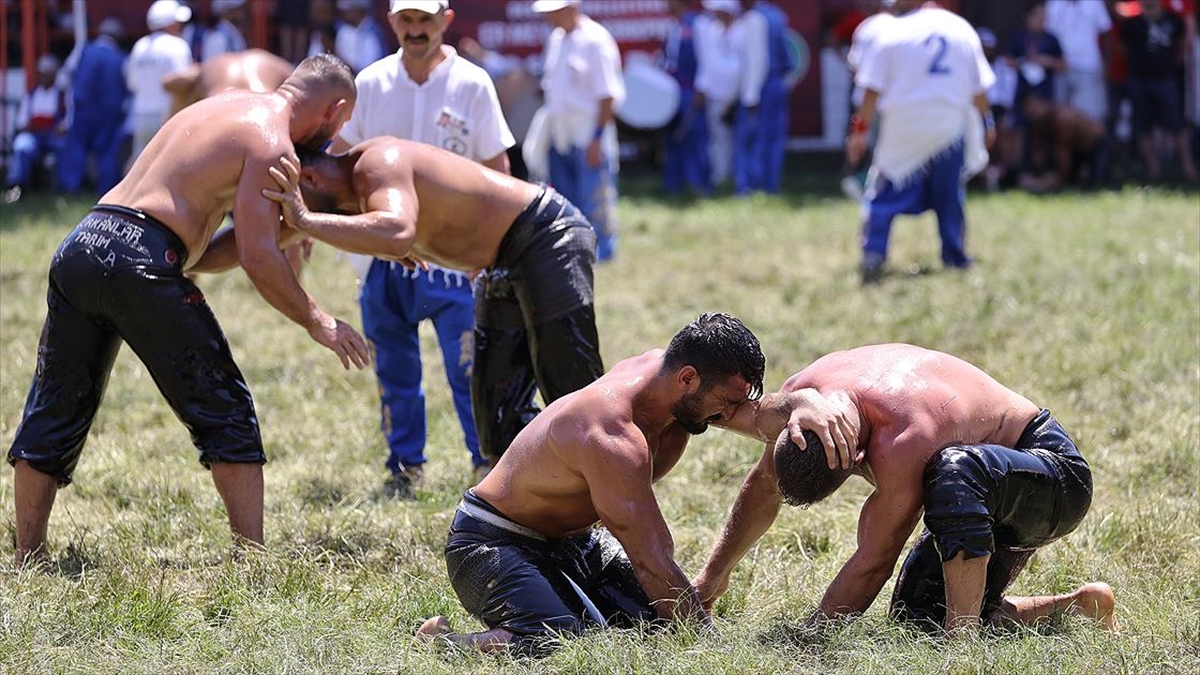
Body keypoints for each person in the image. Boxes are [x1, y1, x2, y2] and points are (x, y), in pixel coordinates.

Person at [7, 54, 366, 569]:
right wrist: (317, 318)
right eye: (341, 124)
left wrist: (293, 225)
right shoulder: (272, 142)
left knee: (56, 405)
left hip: (82, 244)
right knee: (226, 406)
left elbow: (221, 246)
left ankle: (29, 556)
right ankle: (251, 562)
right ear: (334, 111)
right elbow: (259, 255)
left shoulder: (220, 108)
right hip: (141, 259)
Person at [413, 313, 855, 652]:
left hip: (572, 541)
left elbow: (756, 414)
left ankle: (549, 606)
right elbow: (651, 559)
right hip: (492, 544)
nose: (727, 416)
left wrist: (802, 403)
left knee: (655, 623)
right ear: (688, 379)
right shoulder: (611, 432)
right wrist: (711, 648)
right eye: (724, 403)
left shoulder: (681, 391)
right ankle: (445, 644)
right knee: (563, 641)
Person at [212, 136, 606, 469]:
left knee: (574, 392)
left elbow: (398, 231)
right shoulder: (338, 200)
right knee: (497, 422)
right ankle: (545, 518)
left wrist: (306, 220)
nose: (292, 217)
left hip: (546, 234)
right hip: (500, 261)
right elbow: (254, 241)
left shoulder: (376, 163)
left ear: (310, 178)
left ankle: (616, 513)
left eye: (293, 204)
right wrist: (182, 259)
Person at [694, 344, 1118, 638]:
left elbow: (873, 562)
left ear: (855, 457)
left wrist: (812, 636)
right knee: (917, 619)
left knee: (955, 470)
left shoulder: (905, 441)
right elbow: (764, 481)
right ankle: (1079, 604)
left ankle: (961, 647)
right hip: (987, 497)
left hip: (1053, 474)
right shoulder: (802, 400)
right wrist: (710, 580)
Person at [331, 0, 514, 494]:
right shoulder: (368, 83)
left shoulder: (472, 83)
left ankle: (489, 467)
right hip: (382, 257)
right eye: (407, 20)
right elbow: (339, 160)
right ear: (391, 21)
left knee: (470, 366)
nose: (416, 30)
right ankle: (404, 467)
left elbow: (497, 170)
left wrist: (494, 250)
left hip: (453, 257)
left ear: (446, 21)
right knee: (393, 367)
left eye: (426, 20)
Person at [847, 0, 995, 284]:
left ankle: (873, 254)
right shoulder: (960, 28)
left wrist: (859, 132)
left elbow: (870, 93)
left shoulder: (889, 32)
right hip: (948, 124)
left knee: (884, 191)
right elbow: (979, 88)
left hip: (904, 124)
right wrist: (988, 122)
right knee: (949, 193)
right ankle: (954, 254)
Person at [531, 0, 624, 263]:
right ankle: (575, 250)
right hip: (561, 134)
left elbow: (607, 96)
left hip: (588, 134)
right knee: (566, 199)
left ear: (571, 9)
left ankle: (603, 252)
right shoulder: (557, 39)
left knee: (595, 197)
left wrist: (596, 139)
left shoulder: (596, 41)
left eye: (553, 12)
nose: (549, 17)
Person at [1120, 0, 1196, 182]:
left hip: (1164, 79)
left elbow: (1181, 44)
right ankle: (1154, 170)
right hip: (1139, 80)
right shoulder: (1132, 25)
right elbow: (1123, 49)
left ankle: (1188, 167)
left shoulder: (1173, 21)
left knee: (1176, 124)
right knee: (1143, 125)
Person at [58, 18, 129, 195]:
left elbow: (64, 78)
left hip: (83, 108)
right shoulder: (120, 57)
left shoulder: (84, 51)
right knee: (106, 151)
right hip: (109, 111)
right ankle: (105, 191)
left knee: (77, 148)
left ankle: (71, 187)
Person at [126, 0, 193, 164]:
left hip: (141, 114)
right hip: (168, 115)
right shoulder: (177, 46)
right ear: (171, 23)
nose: (180, 26)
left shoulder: (139, 46)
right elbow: (183, 84)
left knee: (140, 166)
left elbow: (132, 83)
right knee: (169, 165)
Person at [662, 0, 711, 197]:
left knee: (694, 136)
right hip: (671, 90)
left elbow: (706, 59)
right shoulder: (672, 26)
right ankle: (674, 186)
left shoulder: (698, 24)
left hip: (691, 88)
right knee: (672, 136)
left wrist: (702, 88)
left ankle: (700, 186)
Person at [4, 55, 67, 202]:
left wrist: (61, 128)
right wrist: (31, 126)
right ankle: (17, 187)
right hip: (34, 135)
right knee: (22, 146)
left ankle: (64, 189)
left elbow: (67, 120)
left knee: (64, 147)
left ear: (54, 75)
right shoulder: (31, 95)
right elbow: (21, 122)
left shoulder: (61, 95)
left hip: (52, 135)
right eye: (42, 73)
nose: (44, 76)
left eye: (48, 73)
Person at [694, 0, 742, 189]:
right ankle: (721, 179)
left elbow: (737, 69)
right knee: (719, 140)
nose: (713, 15)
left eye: (717, 11)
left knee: (736, 140)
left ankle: (734, 180)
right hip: (718, 95)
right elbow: (711, 65)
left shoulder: (741, 32)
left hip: (738, 96)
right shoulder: (714, 31)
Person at [1044, 0, 1113, 124]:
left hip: (1088, 66)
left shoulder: (1094, 3)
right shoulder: (1053, 4)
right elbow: (1046, 33)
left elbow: (1106, 31)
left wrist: (1107, 62)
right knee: (1060, 115)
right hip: (1060, 67)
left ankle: (1088, 143)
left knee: (1088, 115)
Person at [335, 0, 388, 73]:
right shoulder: (345, 29)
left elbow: (370, 69)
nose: (344, 15)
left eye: (348, 11)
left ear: (358, 10)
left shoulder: (372, 32)